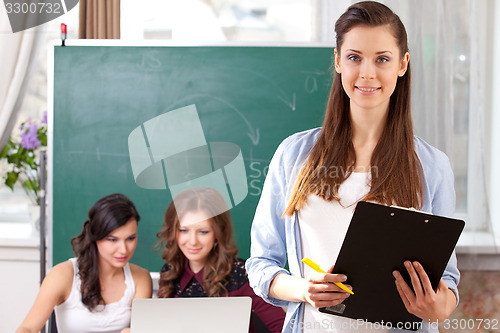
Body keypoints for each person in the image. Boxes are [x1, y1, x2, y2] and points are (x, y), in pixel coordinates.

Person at [245, 2, 460, 333]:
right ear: (337, 60)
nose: (367, 73)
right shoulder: (294, 155)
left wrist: (437, 306)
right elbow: (261, 264)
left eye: (382, 59)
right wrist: (304, 289)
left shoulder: (431, 166)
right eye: (354, 57)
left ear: (403, 64)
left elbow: (445, 282)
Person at [16, 193, 152, 333]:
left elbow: (140, 330)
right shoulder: (62, 275)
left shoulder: (140, 278)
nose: (123, 250)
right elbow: (28, 328)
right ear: (95, 236)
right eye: (112, 239)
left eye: (130, 238)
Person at [156, 187, 285, 333]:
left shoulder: (243, 275)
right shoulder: (170, 272)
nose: (192, 241)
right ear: (173, 231)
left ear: (218, 232)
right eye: (183, 230)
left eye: (203, 232)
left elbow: (283, 328)